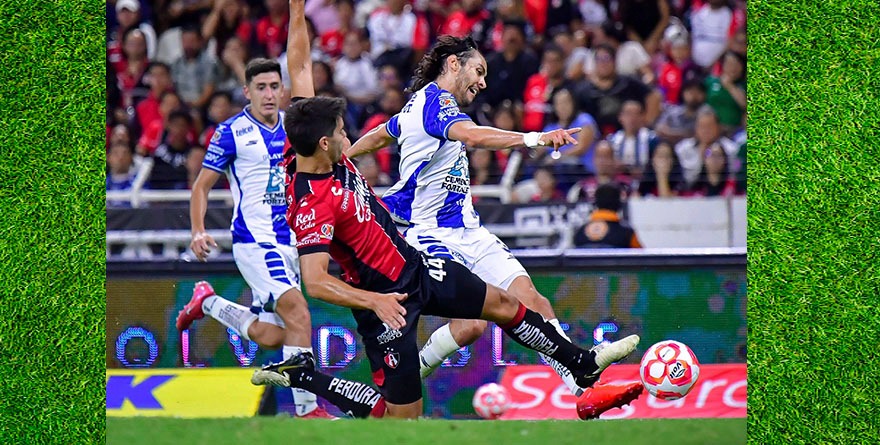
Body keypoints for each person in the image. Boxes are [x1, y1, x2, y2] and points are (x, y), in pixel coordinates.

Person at [251, 94, 642, 420]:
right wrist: (376, 301)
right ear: (323, 143)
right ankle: (305, 375)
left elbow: (302, 72)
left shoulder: (321, 151)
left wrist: (297, 10)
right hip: (386, 303)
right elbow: (315, 281)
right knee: (399, 421)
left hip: (416, 268)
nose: (347, 137)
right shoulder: (311, 204)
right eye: (340, 132)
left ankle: (580, 363)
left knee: (504, 303)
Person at [345, 35, 643, 416]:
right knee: (470, 327)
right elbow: (471, 135)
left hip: (470, 231)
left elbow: (382, 134)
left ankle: (583, 391)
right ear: (454, 64)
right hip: (430, 234)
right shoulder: (436, 103)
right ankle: (412, 373)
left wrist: (343, 158)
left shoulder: (414, 109)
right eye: (479, 71)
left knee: (534, 301)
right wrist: (534, 137)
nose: (483, 82)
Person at [175, 0, 333, 419]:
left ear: (282, 91)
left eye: (273, 87)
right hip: (255, 240)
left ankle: (208, 303)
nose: (268, 94)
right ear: (247, 92)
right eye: (259, 87)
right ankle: (305, 411)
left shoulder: (293, 127)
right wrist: (197, 230)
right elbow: (202, 186)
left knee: (274, 334)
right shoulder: (230, 133)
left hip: (291, 243)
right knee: (299, 311)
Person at [573, 182, 642, 248]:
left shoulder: (580, 232)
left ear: (596, 203)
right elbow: (641, 257)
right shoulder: (627, 233)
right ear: (618, 203)